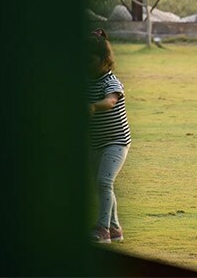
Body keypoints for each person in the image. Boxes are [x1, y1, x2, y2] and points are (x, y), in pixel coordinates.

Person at [87, 29, 132, 244]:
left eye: (91, 59)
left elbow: (110, 101)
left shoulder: (110, 81)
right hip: (95, 142)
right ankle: (115, 230)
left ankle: (102, 229)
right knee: (100, 184)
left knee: (104, 181)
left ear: (105, 61)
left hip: (116, 141)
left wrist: (93, 106)